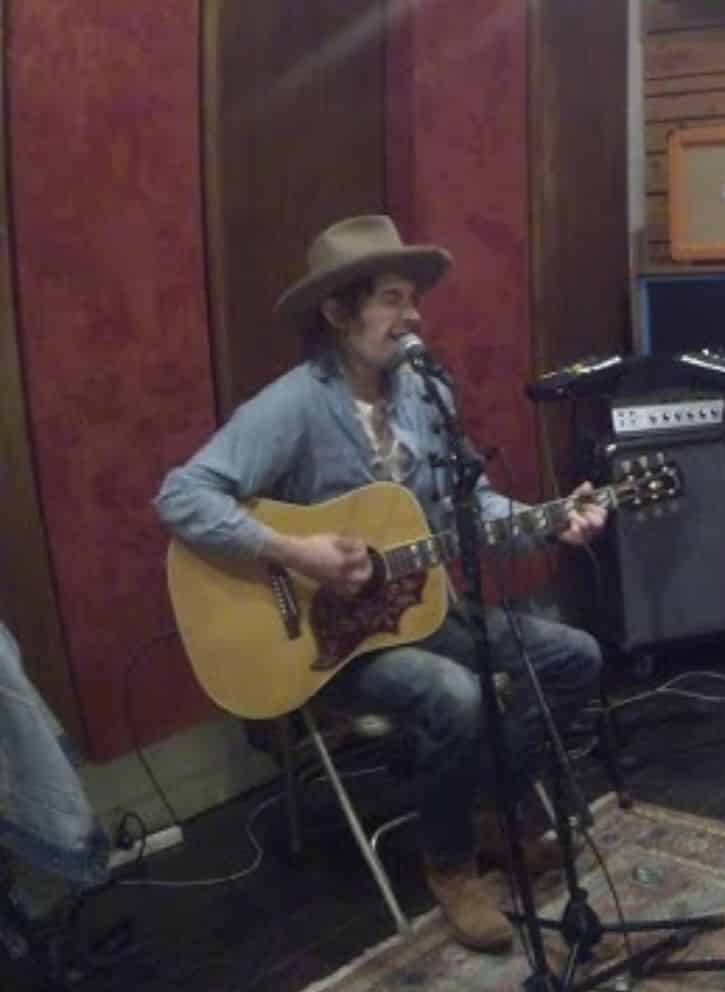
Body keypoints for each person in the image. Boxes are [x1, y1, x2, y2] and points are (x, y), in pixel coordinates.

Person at [154, 215, 606, 952]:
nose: (413, 315)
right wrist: (294, 550)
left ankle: (491, 815)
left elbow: (470, 504)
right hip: (327, 642)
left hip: (418, 614)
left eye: (414, 299)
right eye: (392, 299)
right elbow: (181, 496)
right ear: (338, 312)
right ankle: (451, 865)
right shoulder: (293, 406)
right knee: (455, 695)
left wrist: (550, 522)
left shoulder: (425, 396)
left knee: (574, 657)